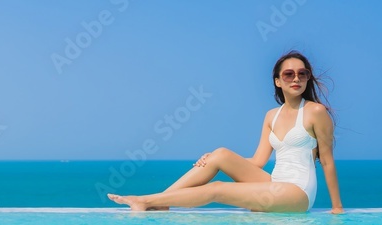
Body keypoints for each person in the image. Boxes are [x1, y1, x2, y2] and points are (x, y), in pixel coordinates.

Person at [107, 51, 345, 213]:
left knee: (217, 189)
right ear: (277, 81)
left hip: (298, 192)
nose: (296, 79)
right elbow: (258, 161)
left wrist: (337, 207)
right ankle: (163, 201)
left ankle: (146, 201)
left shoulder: (315, 111)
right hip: (274, 183)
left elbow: (327, 161)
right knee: (219, 154)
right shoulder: (272, 116)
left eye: (302, 74)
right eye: (288, 74)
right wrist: (211, 159)